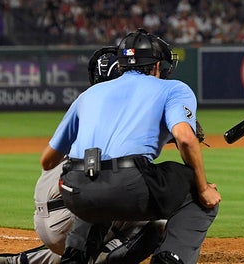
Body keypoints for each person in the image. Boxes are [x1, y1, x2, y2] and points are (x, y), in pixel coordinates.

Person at [40, 28, 221, 264]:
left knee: (97, 182)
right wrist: (203, 187)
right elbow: (185, 138)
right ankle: (171, 259)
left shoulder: (89, 93)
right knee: (194, 186)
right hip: (128, 182)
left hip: (74, 189)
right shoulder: (173, 88)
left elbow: (48, 161)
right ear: (157, 66)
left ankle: (75, 258)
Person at [0, 47, 168, 264]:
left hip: (48, 212)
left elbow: (48, 160)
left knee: (80, 239)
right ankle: (105, 255)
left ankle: (17, 262)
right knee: (152, 216)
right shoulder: (128, 113)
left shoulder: (88, 102)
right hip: (73, 211)